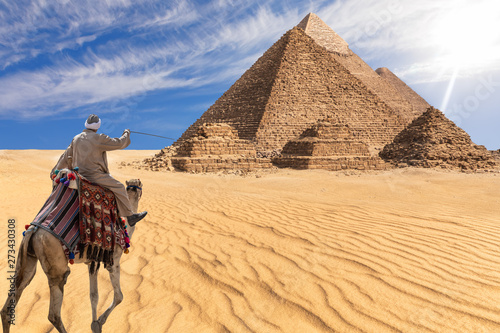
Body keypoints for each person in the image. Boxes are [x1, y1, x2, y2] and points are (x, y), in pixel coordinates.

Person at [51, 114, 147, 226]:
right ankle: (130, 216)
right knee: (119, 187)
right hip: (95, 176)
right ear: (98, 126)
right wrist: (126, 133)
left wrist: (55, 171)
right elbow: (120, 143)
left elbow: (65, 156)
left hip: (78, 175)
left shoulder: (76, 139)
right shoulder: (99, 138)